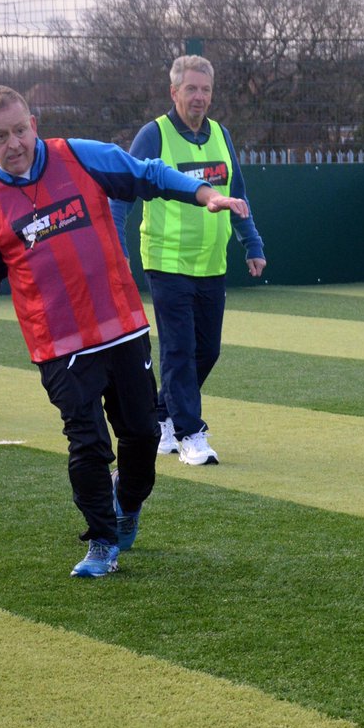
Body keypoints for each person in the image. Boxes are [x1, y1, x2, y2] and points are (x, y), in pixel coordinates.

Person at [0, 85, 249, 578]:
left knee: (139, 437)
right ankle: (100, 541)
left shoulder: (78, 156)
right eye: (0, 136)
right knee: (87, 442)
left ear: (35, 121)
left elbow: (147, 174)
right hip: (58, 344)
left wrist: (205, 194)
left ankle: (127, 504)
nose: (14, 143)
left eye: (20, 130)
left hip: (121, 327)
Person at [110, 55, 266, 467]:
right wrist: (115, 252)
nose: (199, 97)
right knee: (178, 349)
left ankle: (163, 417)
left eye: (206, 89)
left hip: (212, 263)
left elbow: (238, 192)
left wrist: (252, 243)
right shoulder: (154, 135)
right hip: (167, 261)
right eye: (191, 89)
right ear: (173, 92)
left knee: (207, 350)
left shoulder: (221, 135)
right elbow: (121, 194)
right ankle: (190, 434)